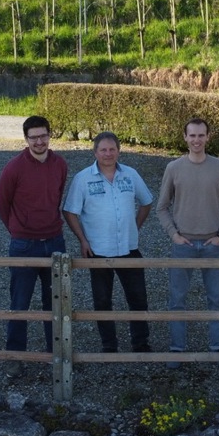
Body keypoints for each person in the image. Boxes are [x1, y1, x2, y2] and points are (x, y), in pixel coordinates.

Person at [155, 117, 219, 367]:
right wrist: (173, 234)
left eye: (201, 135)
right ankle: (177, 350)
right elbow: (162, 207)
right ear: (185, 137)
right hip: (183, 245)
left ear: (208, 137)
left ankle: (217, 348)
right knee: (177, 300)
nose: (196, 140)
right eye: (192, 135)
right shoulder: (173, 168)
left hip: (213, 244)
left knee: (216, 299)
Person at [62, 131, 154, 354]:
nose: (108, 154)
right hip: (98, 251)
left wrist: (135, 226)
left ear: (119, 151)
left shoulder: (130, 174)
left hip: (129, 248)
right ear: (95, 152)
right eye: (103, 149)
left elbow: (147, 202)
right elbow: (70, 211)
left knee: (138, 298)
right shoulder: (83, 179)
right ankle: (109, 345)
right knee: (102, 301)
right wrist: (83, 240)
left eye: (112, 149)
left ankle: (140, 343)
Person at [0, 115, 68, 379]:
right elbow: (2, 205)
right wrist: (19, 230)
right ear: (26, 139)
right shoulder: (13, 168)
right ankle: (15, 357)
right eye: (33, 137)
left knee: (56, 303)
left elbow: (56, 197)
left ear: (50, 135)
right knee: (20, 302)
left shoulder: (60, 164)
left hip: (54, 242)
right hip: (24, 245)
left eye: (43, 135)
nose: (39, 141)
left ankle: (56, 354)